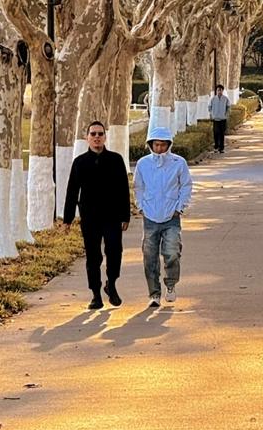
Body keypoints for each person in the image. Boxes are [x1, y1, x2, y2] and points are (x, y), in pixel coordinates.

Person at [63, 120, 130, 310]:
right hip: (90, 218)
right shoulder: (80, 162)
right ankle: (96, 294)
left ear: (105, 137)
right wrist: (68, 219)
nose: (97, 137)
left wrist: (125, 215)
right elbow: (72, 192)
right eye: (93, 134)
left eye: (100, 134)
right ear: (87, 138)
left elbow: (123, 189)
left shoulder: (116, 160)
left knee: (114, 251)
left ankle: (112, 284)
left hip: (112, 216)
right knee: (93, 257)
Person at [133, 127, 192, 307]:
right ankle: (154, 293)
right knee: (149, 256)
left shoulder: (178, 163)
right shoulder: (143, 164)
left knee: (172, 252)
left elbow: (186, 185)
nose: (159, 148)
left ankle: (171, 284)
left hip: (171, 216)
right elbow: (138, 187)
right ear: (150, 145)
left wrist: (179, 207)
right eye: (156, 145)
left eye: (163, 145)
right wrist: (141, 206)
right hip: (150, 216)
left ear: (169, 145)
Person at [208, 83, 231, 153]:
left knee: (222, 134)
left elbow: (228, 107)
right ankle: (216, 147)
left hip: (223, 119)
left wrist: (226, 115)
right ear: (216, 91)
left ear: (222, 91)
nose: (219, 91)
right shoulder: (213, 99)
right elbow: (209, 107)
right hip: (215, 119)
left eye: (220, 90)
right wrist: (212, 114)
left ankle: (221, 148)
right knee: (216, 133)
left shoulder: (225, 99)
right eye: (218, 90)